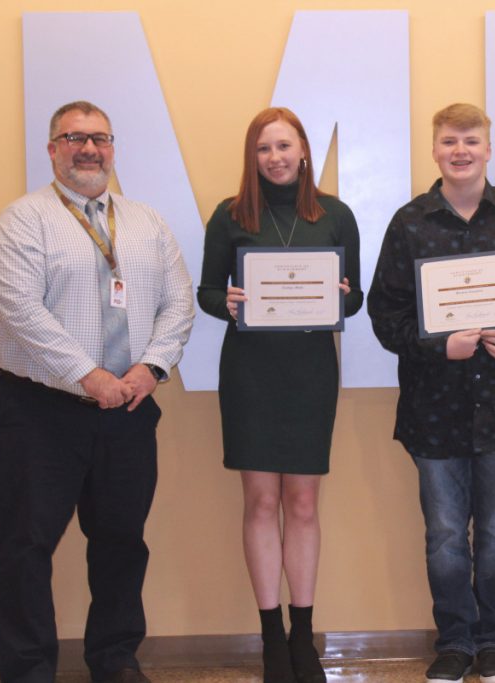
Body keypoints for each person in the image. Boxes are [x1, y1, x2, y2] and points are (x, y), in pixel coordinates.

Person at [0, 101, 194, 683]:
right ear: (52, 149)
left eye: (99, 138)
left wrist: (151, 368)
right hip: (36, 412)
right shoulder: (23, 221)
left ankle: (115, 658)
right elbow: (21, 311)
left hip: (128, 408)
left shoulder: (146, 221)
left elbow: (178, 302)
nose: (88, 149)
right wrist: (90, 375)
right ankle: (27, 670)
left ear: (112, 148)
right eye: (73, 138)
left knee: (122, 542)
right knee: (26, 548)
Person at [367, 103, 495, 683]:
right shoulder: (409, 223)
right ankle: (454, 642)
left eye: (471, 140)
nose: (460, 150)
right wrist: (438, 346)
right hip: (435, 410)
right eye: (450, 140)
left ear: (488, 149)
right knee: (446, 536)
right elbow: (386, 316)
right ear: (434, 150)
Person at [197, 107, 362, 683]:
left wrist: (341, 296)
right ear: (253, 157)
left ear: (304, 151)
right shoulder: (229, 215)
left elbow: (355, 297)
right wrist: (231, 303)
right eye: (264, 148)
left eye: (284, 146)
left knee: (304, 505)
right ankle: (271, 638)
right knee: (262, 503)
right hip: (251, 374)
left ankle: (303, 636)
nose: (276, 157)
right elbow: (208, 293)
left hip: (311, 373)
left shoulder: (335, 215)